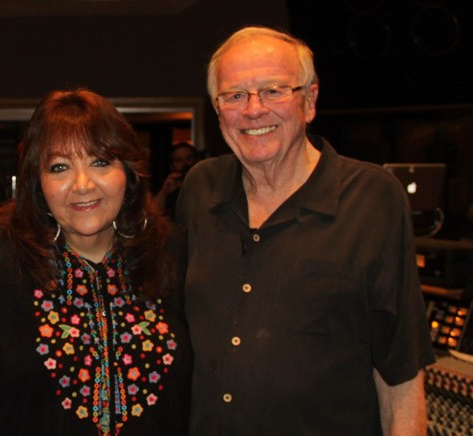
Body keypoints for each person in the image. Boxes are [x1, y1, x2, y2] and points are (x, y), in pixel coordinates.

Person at [177, 26, 436, 435]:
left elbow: (400, 368)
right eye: (235, 95)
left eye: (274, 90)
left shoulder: (372, 199)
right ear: (217, 108)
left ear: (310, 100)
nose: (254, 109)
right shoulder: (199, 189)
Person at [0, 88, 192, 435]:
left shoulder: (174, 254)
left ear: (128, 171)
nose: (82, 185)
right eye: (60, 167)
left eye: (100, 162)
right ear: (38, 182)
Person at [153, 141, 199, 217]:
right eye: (178, 160)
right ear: (171, 165)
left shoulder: (206, 183)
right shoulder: (168, 186)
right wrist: (164, 193)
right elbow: (151, 215)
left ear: (197, 160)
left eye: (189, 158)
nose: (185, 164)